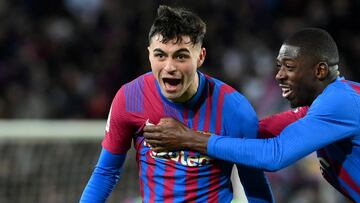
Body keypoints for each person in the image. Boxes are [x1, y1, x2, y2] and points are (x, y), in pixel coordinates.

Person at [80, 5, 274, 202]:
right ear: (149, 54)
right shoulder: (130, 98)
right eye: (160, 55)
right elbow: (105, 173)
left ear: (200, 57)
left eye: (181, 56)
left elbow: (254, 185)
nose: (169, 67)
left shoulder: (235, 109)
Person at [143, 28, 360, 202]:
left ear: (320, 71)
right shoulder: (322, 106)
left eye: (289, 67)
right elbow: (253, 132)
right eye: (278, 66)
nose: (279, 75)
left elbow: (275, 155)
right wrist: (190, 130)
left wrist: (189, 138)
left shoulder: (340, 102)